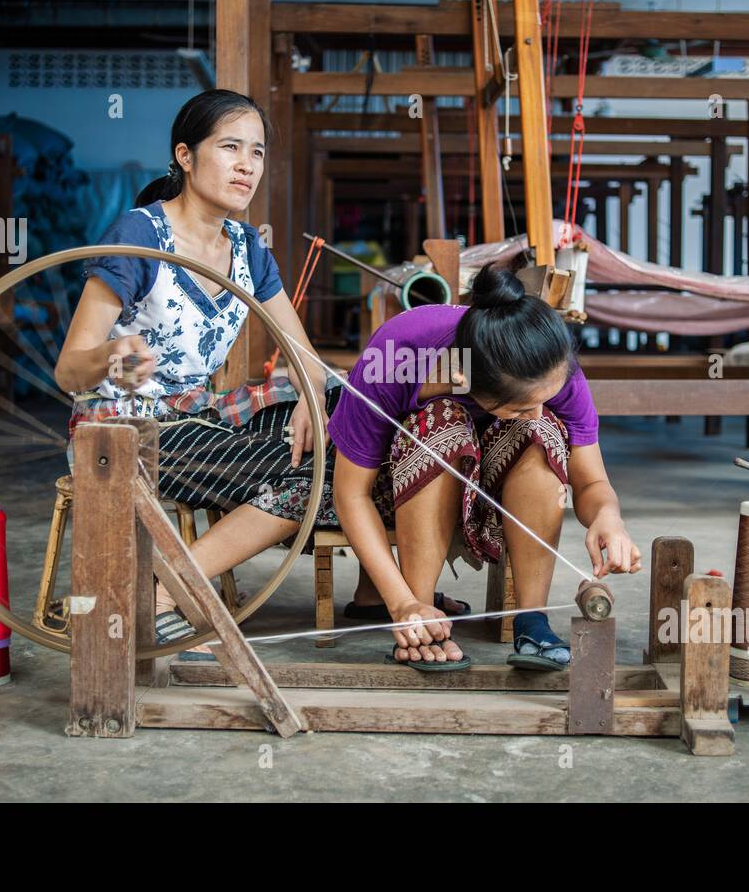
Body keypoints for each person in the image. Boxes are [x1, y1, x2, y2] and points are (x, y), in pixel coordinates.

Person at [54, 89, 333, 661]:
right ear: (185, 155)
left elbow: (305, 356)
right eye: (229, 147)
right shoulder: (141, 237)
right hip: (127, 431)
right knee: (320, 477)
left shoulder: (248, 249)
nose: (245, 165)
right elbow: (68, 368)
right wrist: (113, 358)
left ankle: (170, 582)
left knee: (345, 439)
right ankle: (162, 594)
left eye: (255, 152)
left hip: (197, 416)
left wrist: (314, 395)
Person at [328, 267, 641, 671]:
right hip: (400, 488)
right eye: (523, 402)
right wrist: (401, 601)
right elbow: (350, 495)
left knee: (540, 430)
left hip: (494, 489)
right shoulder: (395, 354)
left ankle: (532, 618)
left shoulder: (547, 363)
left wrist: (608, 516)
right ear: (463, 377)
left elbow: (592, 480)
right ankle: (419, 618)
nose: (541, 406)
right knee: (441, 420)